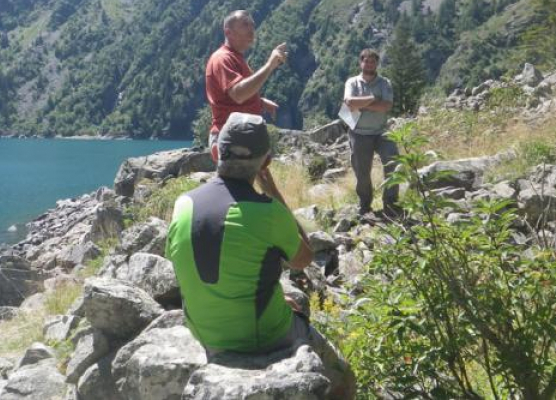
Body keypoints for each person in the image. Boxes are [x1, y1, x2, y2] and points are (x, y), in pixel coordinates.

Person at [166, 112, 355, 398]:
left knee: (284, 297)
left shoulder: (183, 205)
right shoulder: (267, 212)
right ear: (266, 162)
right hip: (261, 338)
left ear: (216, 151)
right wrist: (275, 192)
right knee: (343, 376)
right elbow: (303, 259)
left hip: (205, 334)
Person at [205, 10, 287, 161]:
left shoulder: (236, 58)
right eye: (245, 24)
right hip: (231, 136)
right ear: (228, 32)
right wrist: (270, 65)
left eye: (252, 25)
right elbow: (238, 94)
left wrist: (260, 102)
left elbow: (232, 96)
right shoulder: (222, 59)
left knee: (256, 177)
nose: (251, 29)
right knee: (238, 182)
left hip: (244, 135)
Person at [343, 48, 400, 218]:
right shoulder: (352, 82)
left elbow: (387, 106)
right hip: (358, 133)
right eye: (366, 61)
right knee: (362, 172)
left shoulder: (385, 83)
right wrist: (373, 100)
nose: (369, 64)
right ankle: (365, 205)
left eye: (373, 61)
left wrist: (361, 104)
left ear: (377, 64)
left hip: (381, 132)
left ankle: (391, 203)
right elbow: (349, 102)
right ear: (361, 62)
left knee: (393, 164)